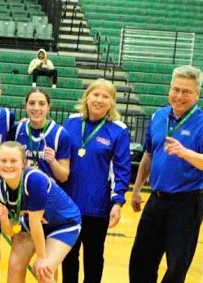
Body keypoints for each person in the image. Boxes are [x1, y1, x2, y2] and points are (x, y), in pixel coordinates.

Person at [130, 65, 203, 283]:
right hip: (156, 200)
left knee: (176, 268)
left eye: (186, 92)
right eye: (176, 89)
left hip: (186, 204)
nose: (179, 96)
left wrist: (185, 152)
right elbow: (149, 155)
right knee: (140, 263)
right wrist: (136, 189)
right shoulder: (158, 116)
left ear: (197, 94)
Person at [60, 79, 131, 283]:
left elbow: (121, 169)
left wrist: (117, 202)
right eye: (95, 94)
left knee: (93, 258)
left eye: (105, 96)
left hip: (97, 207)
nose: (99, 100)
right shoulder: (71, 122)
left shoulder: (118, 130)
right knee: (68, 257)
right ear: (87, 97)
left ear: (112, 102)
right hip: (68, 205)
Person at [0, 141, 82, 283]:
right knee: (15, 266)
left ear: (23, 163)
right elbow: (10, 231)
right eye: (3, 161)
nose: (8, 165)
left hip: (63, 224)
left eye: (13, 161)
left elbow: (35, 222)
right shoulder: (0, 189)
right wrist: (4, 219)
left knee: (43, 271)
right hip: (33, 225)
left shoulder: (35, 180)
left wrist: (41, 257)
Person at [10, 88, 71, 183]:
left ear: (48, 107)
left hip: (47, 190)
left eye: (42, 104)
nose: (36, 108)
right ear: (25, 106)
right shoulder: (17, 129)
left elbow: (63, 177)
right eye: (31, 103)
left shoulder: (60, 134)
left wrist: (52, 161)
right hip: (21, 189)